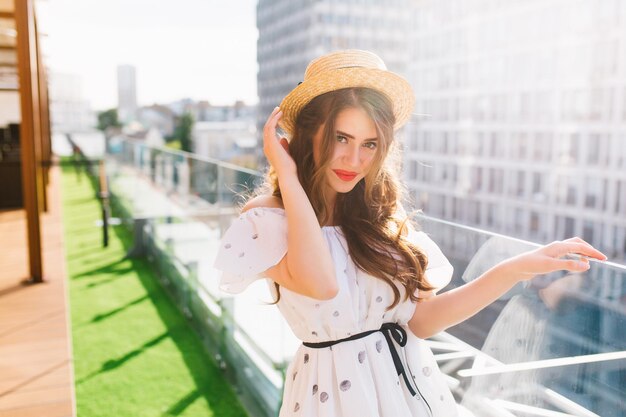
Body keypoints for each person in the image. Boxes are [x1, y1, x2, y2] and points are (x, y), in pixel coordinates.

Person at [213, 50, 607, 417]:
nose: (355, 160)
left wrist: (514, 269)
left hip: (413, 387)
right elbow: (320, 283)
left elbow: (421, 323)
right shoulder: (268, 220)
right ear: (307, 135)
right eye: (341, 138)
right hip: (331, 397)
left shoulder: (379, 218)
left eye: (370, 143)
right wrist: (289, 175)